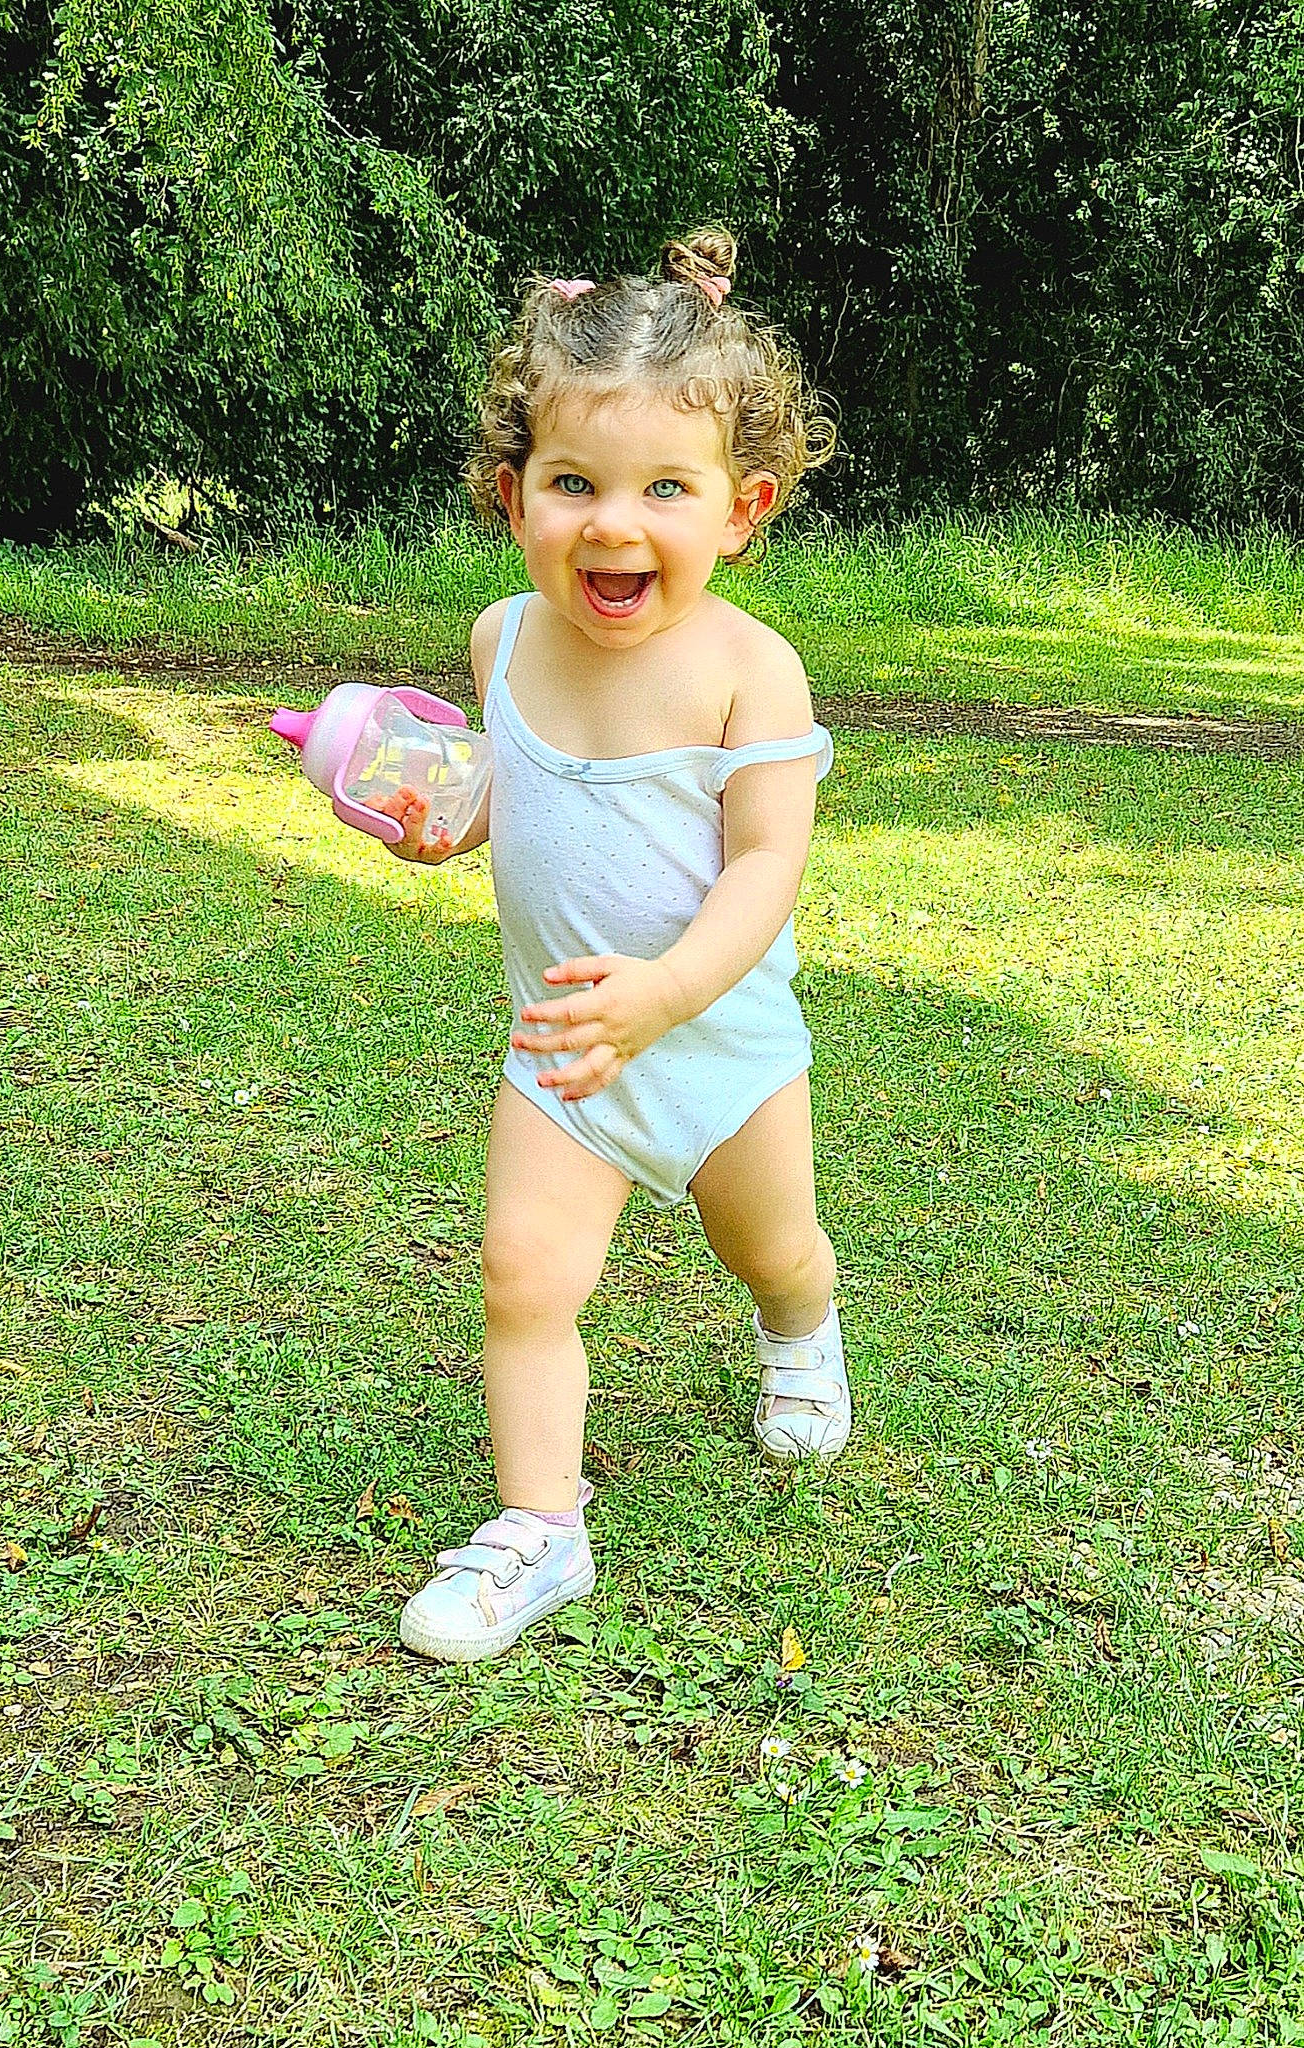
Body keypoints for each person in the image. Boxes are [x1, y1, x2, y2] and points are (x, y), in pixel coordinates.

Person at [395, 226, 846, 1664]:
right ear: (511, 492)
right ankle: (542, 1526)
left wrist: (667, 993)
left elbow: (765, 863)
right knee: (523, 1276)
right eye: (573, 483)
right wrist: (446, 823)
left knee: (770, 1245)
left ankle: (800, 1330)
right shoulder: (501, 640)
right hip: (565, 1046)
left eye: (665, 488)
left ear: (741, 508)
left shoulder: (748, 670)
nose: (612, 524)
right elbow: (514, 792)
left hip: (718, 1044)